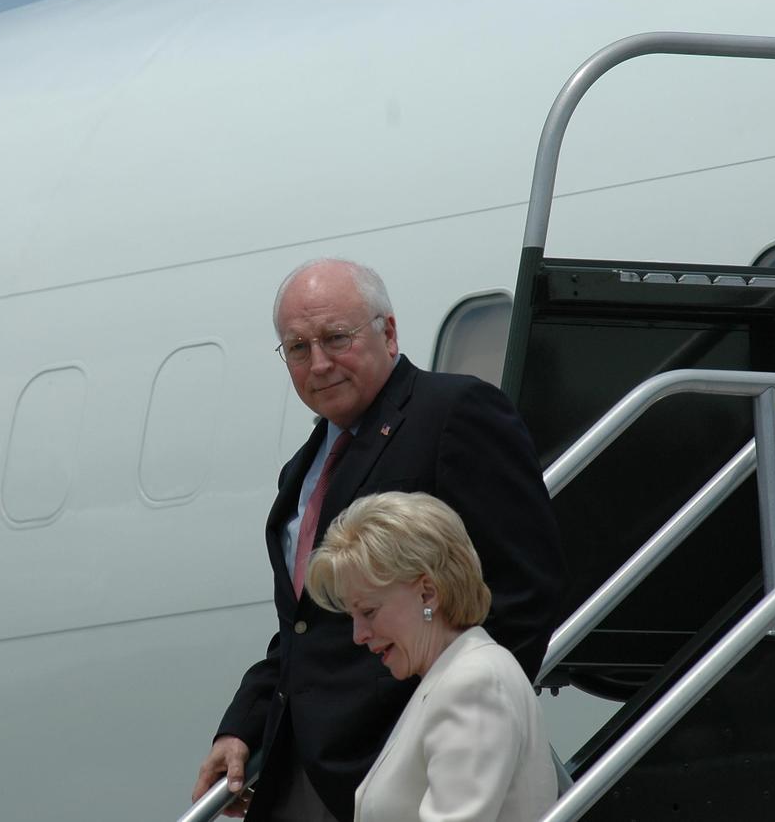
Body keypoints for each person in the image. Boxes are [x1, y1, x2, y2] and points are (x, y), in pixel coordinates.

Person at [191, 258, 565, 821]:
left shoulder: (454, 414)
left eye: (336, 338)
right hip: (306, 769)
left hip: (410, 764)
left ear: (388, 332)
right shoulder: (304, 467)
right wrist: (244, 722)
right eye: (297, 348)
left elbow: (526, 592)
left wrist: (453, 728)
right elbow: (303, 626)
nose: (318, 363)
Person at [307, 491, 557, 822]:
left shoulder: (471, 683)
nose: (358, 635)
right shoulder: (452, 676)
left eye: (368, 611)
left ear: (428, 592)